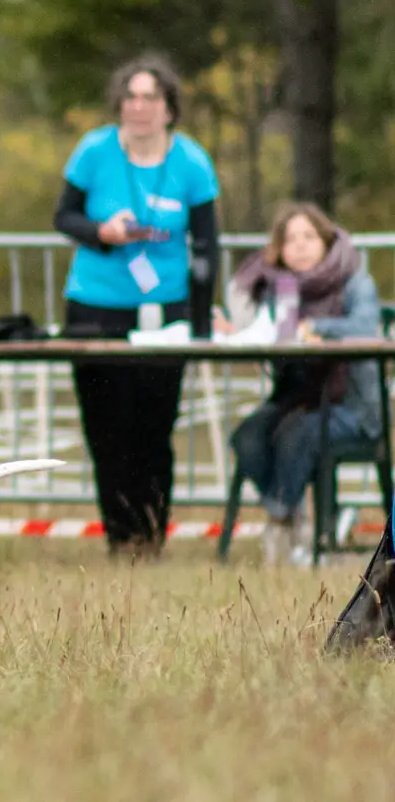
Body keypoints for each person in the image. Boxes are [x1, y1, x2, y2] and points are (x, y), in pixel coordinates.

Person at [52, 55, 220, 556]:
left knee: (154, 426)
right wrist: (100, 233)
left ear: (170, 108)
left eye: (151, 97)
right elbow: (63, 216)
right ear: (119, 104)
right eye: (131, 97)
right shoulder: (94, 151)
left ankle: (150, 536)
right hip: (95, 306)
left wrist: (203, 316)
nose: (139, 106)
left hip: (165, 312)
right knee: (106, 427)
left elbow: (207, 246)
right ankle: (118, 537)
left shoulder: (191, 162)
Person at [217, 204, 384, 566]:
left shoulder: (354, 279)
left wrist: (317, 330)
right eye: (290, 239)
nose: (300, 246)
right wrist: (242, 333)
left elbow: (365, 327)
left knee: (297, 433)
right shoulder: (278, 288)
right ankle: (294, 515)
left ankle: (280, 524)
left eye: (308, 236)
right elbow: (267, 335)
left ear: (325, 240)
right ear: (279, 249)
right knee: (248, 436)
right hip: (295, 397)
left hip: (352, 407)